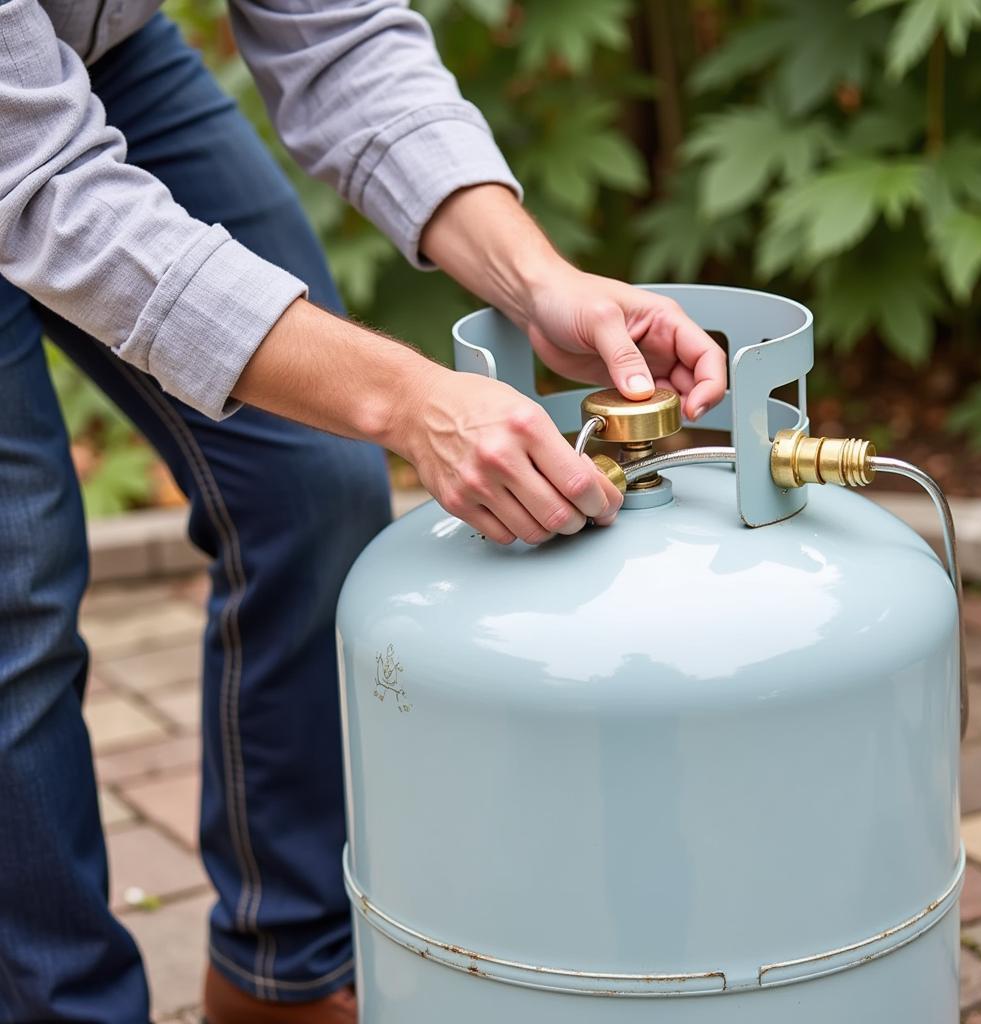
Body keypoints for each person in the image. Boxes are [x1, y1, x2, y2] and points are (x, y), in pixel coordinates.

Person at [0, 1, 727, 1021]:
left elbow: (337, 35)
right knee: (13, 583)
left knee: (311, 480)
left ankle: (279, 976)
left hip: (97, 54)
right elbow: (41, 189)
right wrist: (407, 398)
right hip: (15, 134)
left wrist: (538, 283)